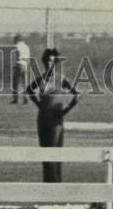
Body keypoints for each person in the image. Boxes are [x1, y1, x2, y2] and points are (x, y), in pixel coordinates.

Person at [27, 48, 80, 183]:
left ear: (55, 62)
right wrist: (39, 104)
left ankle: (56, 184)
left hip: (56, 120)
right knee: (44, 152)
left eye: (51, 61)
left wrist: (66, 110)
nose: (48, 63)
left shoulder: (61, 79)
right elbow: (29, 90)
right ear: (43, 62)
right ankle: (47, 185)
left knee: (55, 151)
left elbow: (77, 94)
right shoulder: (41, 79)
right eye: (46, 61)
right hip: (42, 118)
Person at [11, 34, 31, 104]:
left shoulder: (17, 46)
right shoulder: (26, 46)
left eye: (14, 39)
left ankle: (16, 99)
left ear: (17, 39)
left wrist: (15, 65)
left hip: (19, 64)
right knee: (24, 83)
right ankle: (26, 98)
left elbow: (17, 55)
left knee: (15, 83)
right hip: (25, 65)